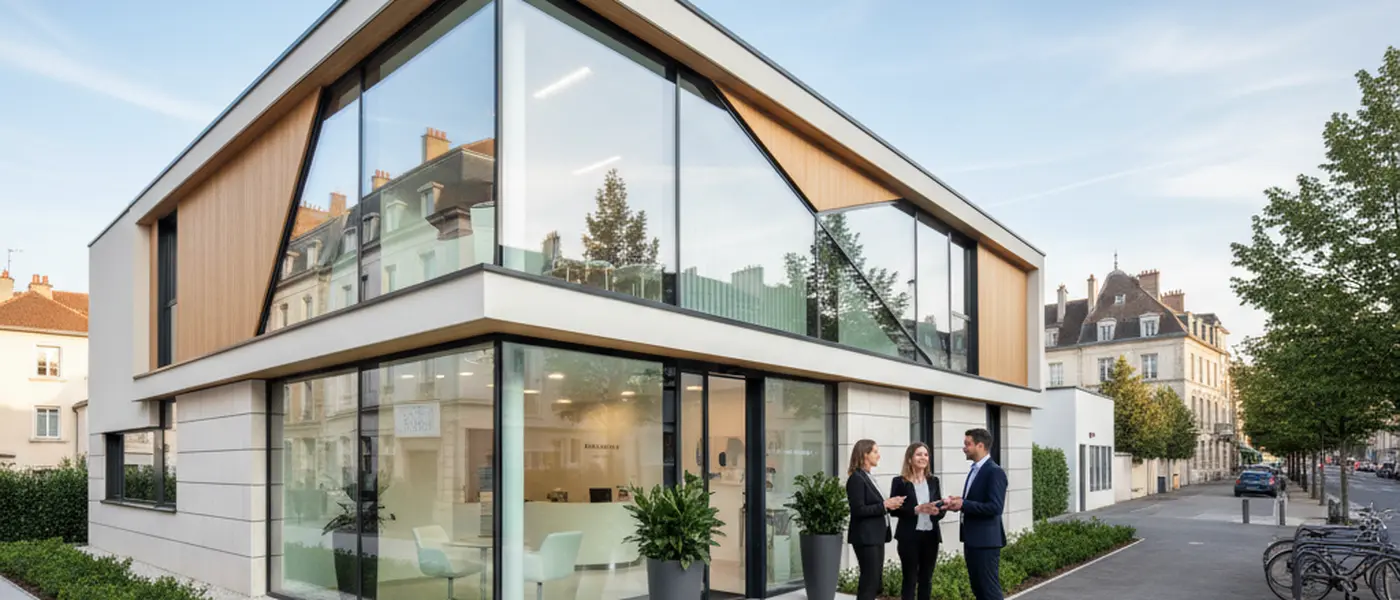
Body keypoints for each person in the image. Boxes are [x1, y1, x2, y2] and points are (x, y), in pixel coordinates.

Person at [942, 428, 1007, 600]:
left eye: (967, 444)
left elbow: (995, 507)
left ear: (980, 445)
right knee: (979, 590)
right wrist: (959, 503)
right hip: (973, 540)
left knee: (989, 591)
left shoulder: (994, 472)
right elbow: (976, 502)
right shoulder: (975, 470)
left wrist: (965, 503)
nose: (964, 448)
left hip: (986, 542)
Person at [846, 439, 904, 600]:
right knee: (869, 582)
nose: (878, 456)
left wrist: (891, 504)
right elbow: (858, 510)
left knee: (874, 582)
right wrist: (885, 505)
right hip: (866, 538)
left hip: (876, 536)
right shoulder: (856, 479)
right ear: (865, 454)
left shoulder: (867, 477)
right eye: (875, 452)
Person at [890, 442, 944, 600]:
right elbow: (893, 510)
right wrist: (915, 510)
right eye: (919, 454)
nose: (923, 458)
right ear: (910, 458)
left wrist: (938, 511)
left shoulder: (934, 481)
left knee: (926, 579)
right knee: (910, 579)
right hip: (909, 537)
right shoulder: (900, 482)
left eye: (926, 455)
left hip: (930, 536)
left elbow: (939, 508)